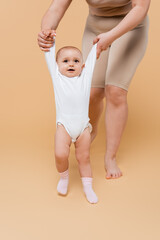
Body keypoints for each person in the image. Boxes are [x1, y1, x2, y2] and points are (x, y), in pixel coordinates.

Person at [38, 0, 151, 179]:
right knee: (91, 92)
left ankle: (110, 157)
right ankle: (90, 130)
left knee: (115, 91)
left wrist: (111, 36)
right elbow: (56, 7)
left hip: (131, 27)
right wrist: (46, 31)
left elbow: (140, 9)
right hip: (96, 27)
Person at [44, 30, 98, 204]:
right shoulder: (57, 78)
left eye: (76, 61)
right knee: (60, 154)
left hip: (83, 127)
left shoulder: (85, 78)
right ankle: (64, 177)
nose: (71, 64)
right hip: (64, 125)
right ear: (57, 65)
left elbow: (91, 60)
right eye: (65, 61)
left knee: (84, 158)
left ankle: (88, 187)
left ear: (82, 66)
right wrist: (50, 39)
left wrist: (98, 44)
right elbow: (49, 55)